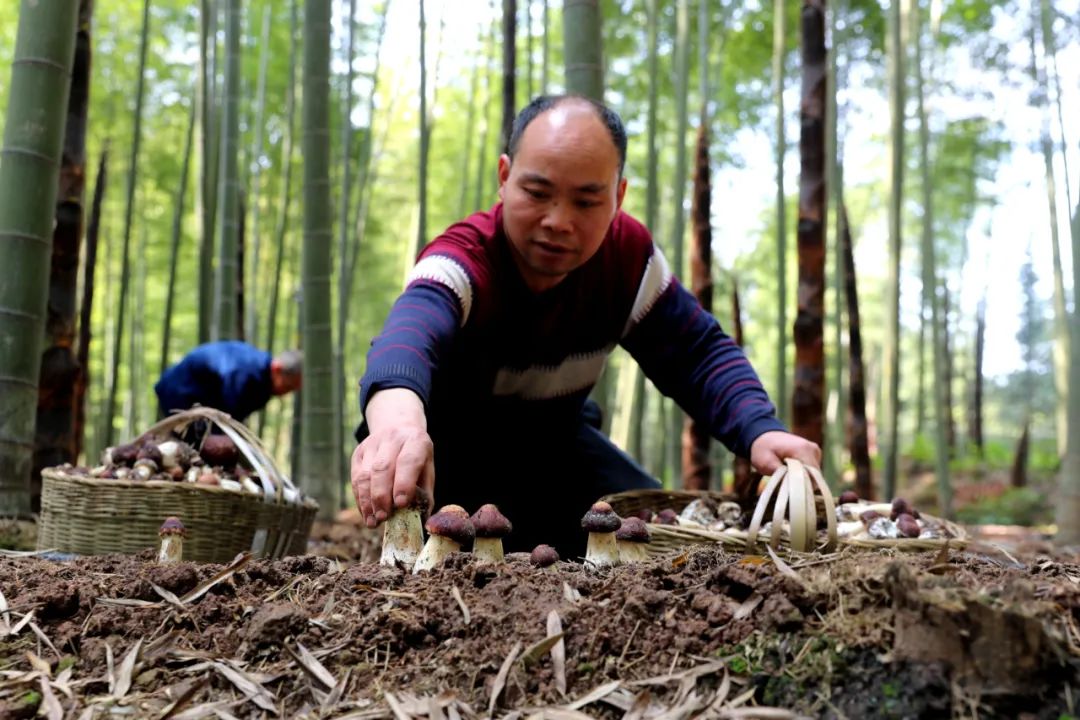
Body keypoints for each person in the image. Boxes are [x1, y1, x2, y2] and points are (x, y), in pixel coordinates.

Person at [350, 94, 820, 557]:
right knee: (473, 542)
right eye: (537, 193)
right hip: (451, 456)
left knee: (642, 536)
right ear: (504, 177)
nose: (558, 221)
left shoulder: (628, 260)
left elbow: (697, 352)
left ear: (617, 197)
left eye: (586, 201)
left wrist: (760, 429)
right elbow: (409, 334)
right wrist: (399, 427)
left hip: (555, 449)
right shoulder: (465, 258)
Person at [156, 341, 302, 422]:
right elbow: (228, 420)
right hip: (180, 391)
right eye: (288, 387)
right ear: (277, 369)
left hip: (202, 400)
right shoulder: (246, 371)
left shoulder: (262, 384)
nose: (285, 394)